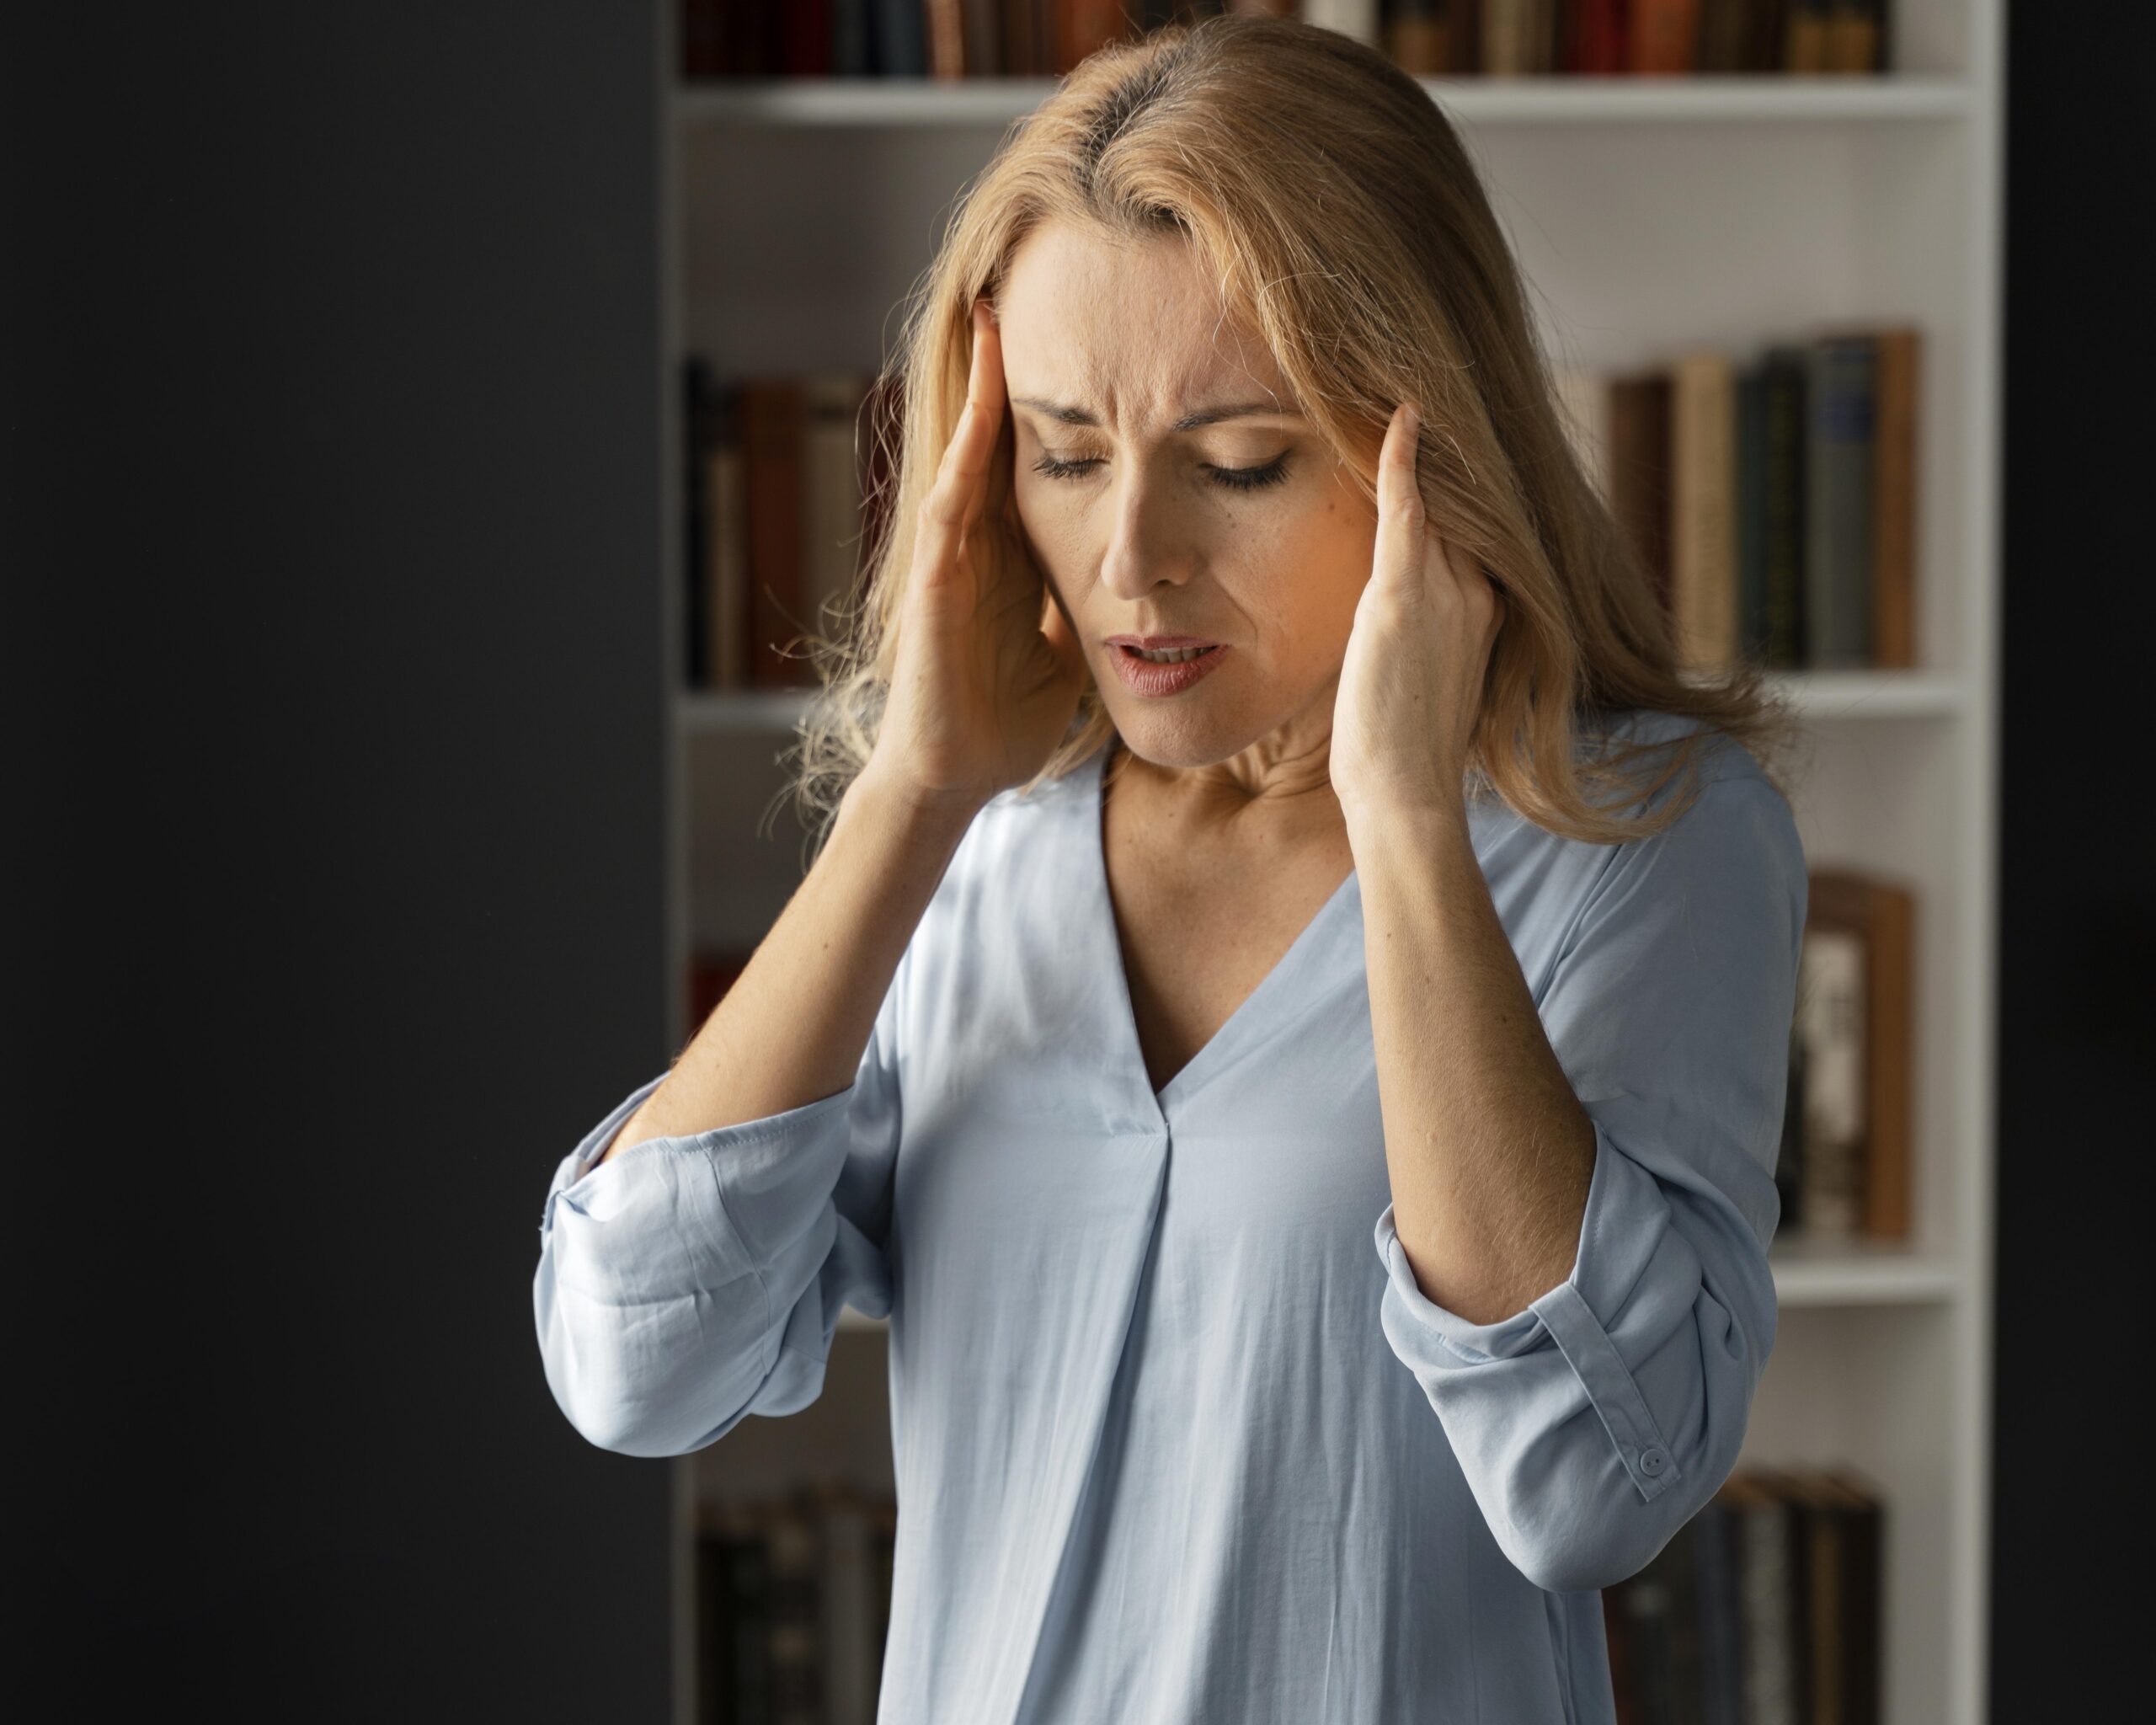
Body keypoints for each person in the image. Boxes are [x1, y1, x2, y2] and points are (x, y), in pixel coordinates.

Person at [535, 14, 1807, 1722]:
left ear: (1426, 441)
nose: (1131, 558)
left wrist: (1407, 822)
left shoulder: (1647, 838)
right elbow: (633, 1360)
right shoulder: (980, 848)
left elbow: (1592, 1481)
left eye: (1237, 462)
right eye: (1064, 455)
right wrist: (909, 790)